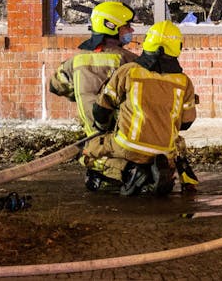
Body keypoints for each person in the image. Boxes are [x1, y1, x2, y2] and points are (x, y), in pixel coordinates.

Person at [81, 21, 200, 196]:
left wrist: (102, 129)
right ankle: (162, 173)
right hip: (164, 150)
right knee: (177, 142)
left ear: (147, 42)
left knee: (88, 152)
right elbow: (186, 123)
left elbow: (101, 109)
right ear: (177, 47)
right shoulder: (184, 82)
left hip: (127, 145)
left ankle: (128, 171)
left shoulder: (128, 72)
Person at [48, 1, 136, 137]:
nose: (131, 31)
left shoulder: (75, 62)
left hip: (92, 147)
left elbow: (55, 86)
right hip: (123, 143)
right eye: (127, 26)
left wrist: (80, 93)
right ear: (111, 27)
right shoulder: (130, 61)